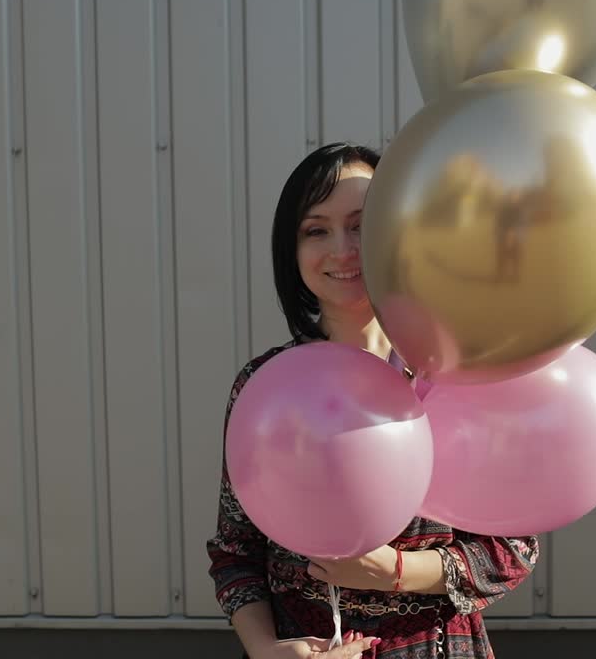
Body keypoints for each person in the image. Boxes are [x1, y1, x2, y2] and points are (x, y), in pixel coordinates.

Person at [207, 142, 540, 658]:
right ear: (292, 250)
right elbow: (236, 553)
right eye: (316, 230)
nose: (342, 249)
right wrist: (266, 650)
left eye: (362, 226)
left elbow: (513, 547)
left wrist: (397, 571)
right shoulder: (264, 387)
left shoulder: (452, 377)